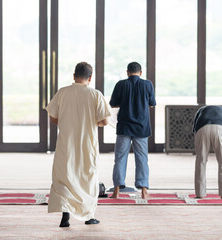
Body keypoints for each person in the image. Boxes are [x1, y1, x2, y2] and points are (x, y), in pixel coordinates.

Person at [46, 62, 110, 227]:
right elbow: (104, 121)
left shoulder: (62, 93)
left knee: (64, 178)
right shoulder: (95, 94)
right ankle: (88, 216)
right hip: (87, 144)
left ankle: (65, 216)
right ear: (90, 77)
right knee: (86, 177)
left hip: (66, 143)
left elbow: (53, 118)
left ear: (74, 76)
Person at [109, 62, 156, 199]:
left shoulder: (121, 84)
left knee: (120, 158)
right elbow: (152, 104)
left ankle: (116, 191)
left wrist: (125, 102)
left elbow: (113, 104)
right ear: (140, 72)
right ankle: (143, 191)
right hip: (141, 128)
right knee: (142, 159)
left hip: (124, 127)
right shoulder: (148, 85)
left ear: (127, 72)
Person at [192, 105, 222, 199]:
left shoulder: (201, 110)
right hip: (221, 128)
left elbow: (195, 129)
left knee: (201, 161)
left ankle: (200, 194)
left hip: (202, 128)